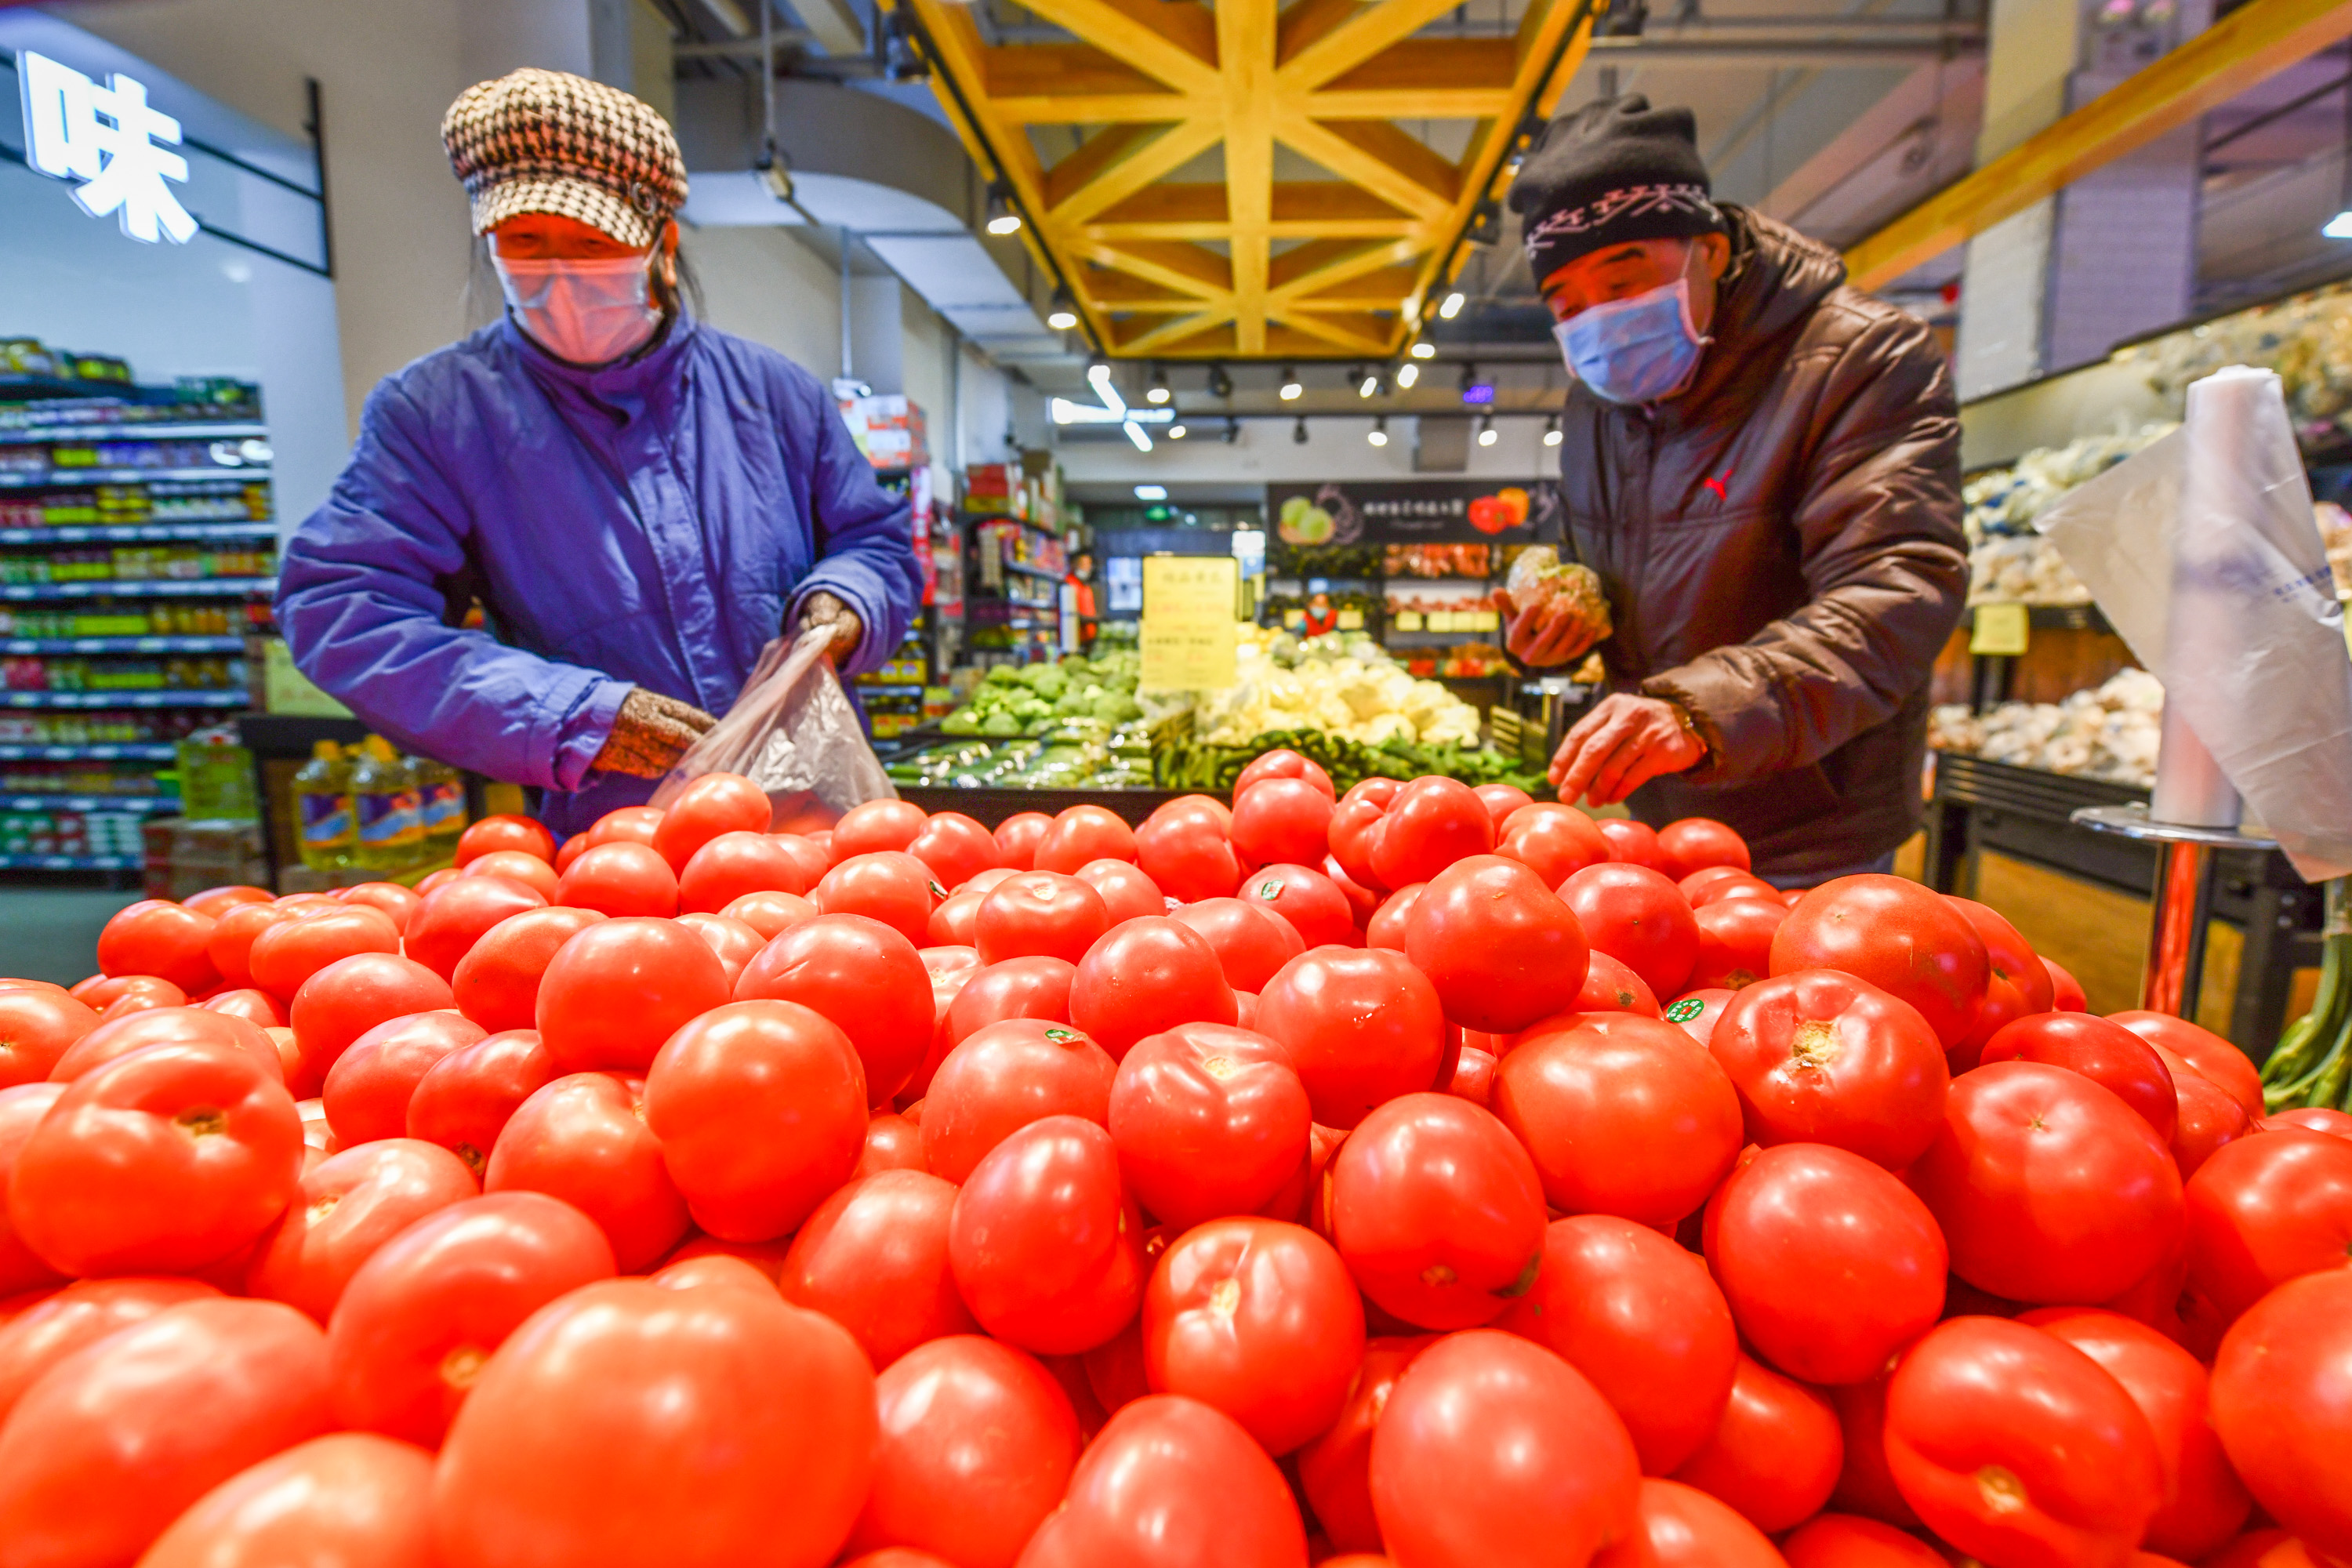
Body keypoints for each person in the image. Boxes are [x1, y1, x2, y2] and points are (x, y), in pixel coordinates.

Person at [277, 69, 920, 837]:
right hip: (619, 839)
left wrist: (848, 599)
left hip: (814, 803)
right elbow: (344, 609)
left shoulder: (775, 394)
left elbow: (873, 537)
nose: (561, 277)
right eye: (525, 243)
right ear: (490, 244)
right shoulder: (438, 416)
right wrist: (569, 715)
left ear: (662, 244)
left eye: (592, 243)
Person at [1497, 96, 1966, 884]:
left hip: (1812, 824)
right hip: (1654, 814)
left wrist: (1700, 709)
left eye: (1624, 280)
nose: (1598, 323)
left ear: (1708, 251)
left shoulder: (1862, 359)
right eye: (1569, 305)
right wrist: (1545, 625)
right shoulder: (1596, 405)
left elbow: (1901, 584)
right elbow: (1585, 560)